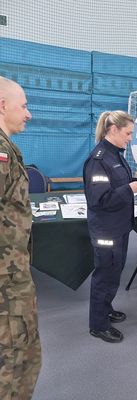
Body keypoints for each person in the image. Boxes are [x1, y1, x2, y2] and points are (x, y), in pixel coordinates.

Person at [83, 110, 137, 343]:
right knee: (105, 275)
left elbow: (118, 186)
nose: (131, 138)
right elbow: (99, 200)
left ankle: (106, 308)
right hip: (106, 230)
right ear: (113, 130)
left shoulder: (116, 155)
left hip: (120, 226)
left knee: (114, 273)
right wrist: (130, 189)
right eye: (128, 133)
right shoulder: (99, 160)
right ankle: (98, 325)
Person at [0, 77, 41, 398]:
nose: (28, 114)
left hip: (11, 277)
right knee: (17, 361)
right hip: (6, 286)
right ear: (3, 106)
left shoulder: (8, 151)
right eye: (23, 106)